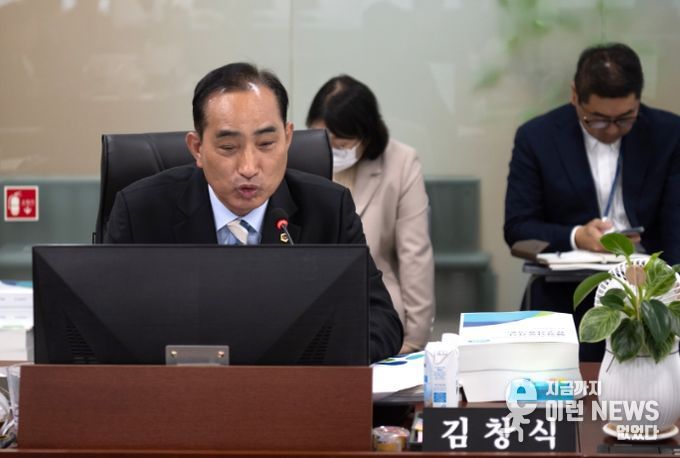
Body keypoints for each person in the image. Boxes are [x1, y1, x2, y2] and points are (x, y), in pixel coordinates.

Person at [104, 62, 403, 363]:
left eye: (266, 144)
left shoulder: (329, 209)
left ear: (288, 138)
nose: (248, 167)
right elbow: (106, 325)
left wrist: (304, 359)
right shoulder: (140, 212)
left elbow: (380, 321)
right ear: (197, 148)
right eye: (228, 147)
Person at [504, 43, 680, 360]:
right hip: (565, 295)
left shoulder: (668, 134)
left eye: (625, 118)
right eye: (597, 119)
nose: (612, 129)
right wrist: (577, 236)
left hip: (651, 295)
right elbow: (518, 227)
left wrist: (666, 287)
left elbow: (676, 227)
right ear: (575, 95)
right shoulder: (537, 137)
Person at [306, 75, 435, 354]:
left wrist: (415, 339)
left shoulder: (401, 162)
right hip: (308, 313)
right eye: (323, 138)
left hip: (375, 315)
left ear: (366, 135)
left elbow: (415, 254)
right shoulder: (297, 159)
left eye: (342, 143)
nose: (332, 150)